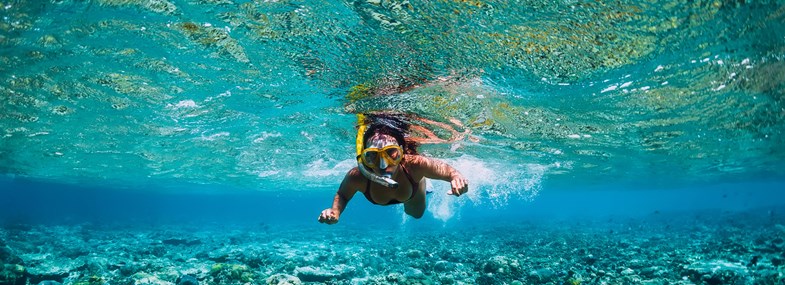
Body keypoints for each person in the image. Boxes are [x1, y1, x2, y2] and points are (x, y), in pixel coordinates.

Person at [318, 112, 469, 224]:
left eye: (391, 153)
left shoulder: (415, 164)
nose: (383, 164)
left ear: (402, 152)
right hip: (406, 189)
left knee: (415, 214)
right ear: (364, 157)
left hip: (413, 188)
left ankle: (423, 181)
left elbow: (450, 172)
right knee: (414, 214)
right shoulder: (357, 176)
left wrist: (456, 178)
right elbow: (343, 195)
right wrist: (335, 211)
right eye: (373, 156)